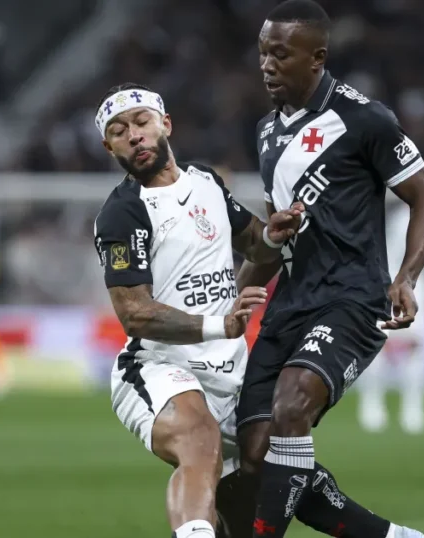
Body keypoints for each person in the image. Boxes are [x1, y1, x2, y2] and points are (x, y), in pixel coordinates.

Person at [234, 2, 424, 537]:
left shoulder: (364, 119)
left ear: (317, 57)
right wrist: (236, 297)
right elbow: (275, 238)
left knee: (292, 404)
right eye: (262, 53)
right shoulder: (266, 133)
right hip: (288, 303)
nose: (266, 64)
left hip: (352, 297)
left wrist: (407, 275)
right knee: (258, 455)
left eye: (280, 54)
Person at [91, 82, 303, 538]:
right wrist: (220, 324)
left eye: (142, 122)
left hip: (231, 371)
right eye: (119, 131)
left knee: (249, 498)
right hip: (157, 366)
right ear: (110, 147)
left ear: (165, 124)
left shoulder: (205, 181)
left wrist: (273, 235)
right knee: (199, 441)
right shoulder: (122, 214)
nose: (134, 136)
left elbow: (253, 242)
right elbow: (135, 313)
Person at [357, 204, 424, 434]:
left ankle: (411, 410)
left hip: (415, 286)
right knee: (381, 345)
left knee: (413, 347)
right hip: (387, 282)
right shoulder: (400, 217)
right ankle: (373, 406)